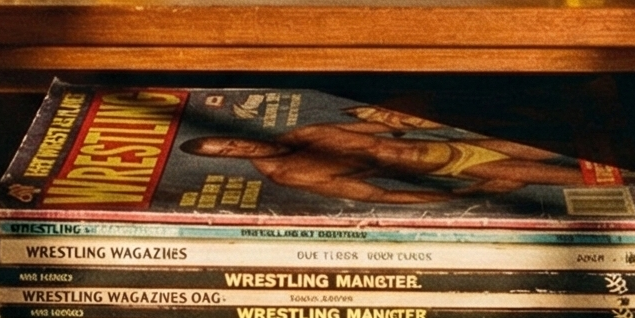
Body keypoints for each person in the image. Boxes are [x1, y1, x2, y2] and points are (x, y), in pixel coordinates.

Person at [181, 105, 598, 206]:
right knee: (572, 177)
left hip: (459, 141)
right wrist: (459, 198)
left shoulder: (307, 131)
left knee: (584, 148)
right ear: (229, 161)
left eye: (230, 141)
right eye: (229, 152)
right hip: (452, 165)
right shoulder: (288, 174)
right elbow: (378, 196)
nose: (240, 147)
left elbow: (386, 127)